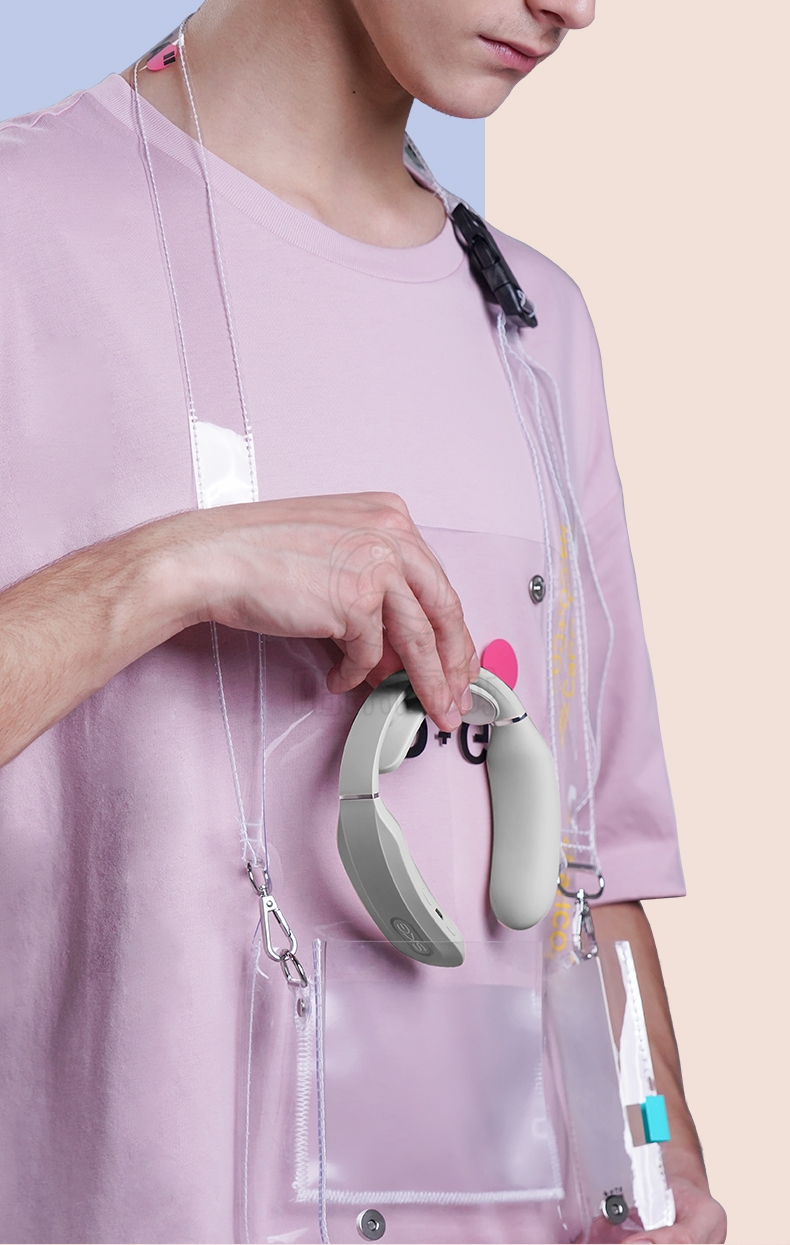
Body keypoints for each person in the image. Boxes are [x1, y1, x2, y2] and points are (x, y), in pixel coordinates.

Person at [0, 1, 726, 1241]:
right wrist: (166, 571)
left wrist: (665, 1171)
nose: (575, 8)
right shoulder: (25, 230)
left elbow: (593, 870)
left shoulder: (534, 330)